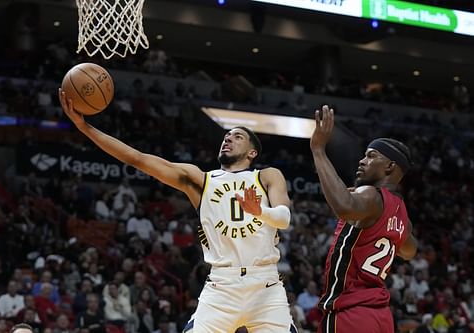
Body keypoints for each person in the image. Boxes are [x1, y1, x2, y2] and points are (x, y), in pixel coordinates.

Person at [59, 89, 296, 332]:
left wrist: (260, 211)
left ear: (252, 152)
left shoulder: (267, 176)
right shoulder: (201, 180)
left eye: (236, 137)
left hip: (265, 286)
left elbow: (284, 219)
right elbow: (137, 159)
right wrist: (85, 127)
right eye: (226, 136)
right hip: (222, 287)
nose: (227, 139)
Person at [309, 106, 418, 333]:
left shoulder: (370, 196)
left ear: (390, 166)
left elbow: (344, 207)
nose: (361, 161)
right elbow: (410, 251)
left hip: (351, 312)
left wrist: (318, 149)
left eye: (371, 156)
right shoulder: (401, 214)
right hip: (380, 317)